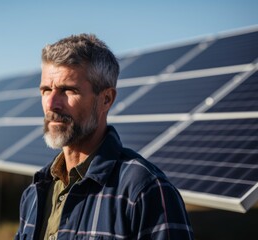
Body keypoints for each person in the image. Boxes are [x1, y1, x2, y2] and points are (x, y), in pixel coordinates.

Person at [14, 33, 194, 240]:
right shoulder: (35, 193)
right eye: (46, 90)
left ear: (106, 99)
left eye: (68, 90)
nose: (52, 103)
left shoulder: (144, 190)